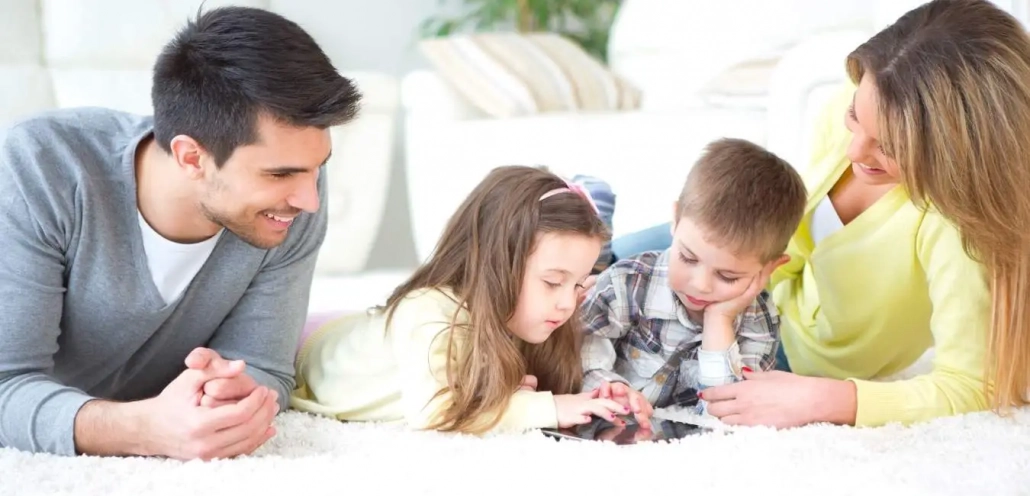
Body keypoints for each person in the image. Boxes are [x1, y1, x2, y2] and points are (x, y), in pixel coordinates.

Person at [608, 0, 1030, 428]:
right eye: (855, 117)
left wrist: (831, 399)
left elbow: (971, 385)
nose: (854, 151)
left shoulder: (952, 230)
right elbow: (783, 238)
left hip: (780, 343)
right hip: (750, 268)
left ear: (954, 150)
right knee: (597, 261)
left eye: (889, 146)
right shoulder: (842, 113)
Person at [0, 6, 361, 459]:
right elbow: (5, 384)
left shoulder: (295, 196)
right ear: (191, 157)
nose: (310, 200)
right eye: (279, 174)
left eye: (316, 168)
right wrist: (141, 429)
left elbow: (266, 368)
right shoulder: (43, 166)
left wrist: (229, 396)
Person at [290, 166, 629, 434]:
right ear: (496, 262)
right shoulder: (429, 314)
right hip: (306, 349)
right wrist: (552, 408)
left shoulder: (518, 314)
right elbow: (436, 413)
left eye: (577, 286)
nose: (567, 304)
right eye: (553, 282)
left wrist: (609, 391)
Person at [580, 139, 806, 427]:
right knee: (585, 269)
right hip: (618, 266)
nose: (700, 285)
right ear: (674, 219)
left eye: (727, 276)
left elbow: (729, 409)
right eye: (687, 257)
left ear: (769, 268)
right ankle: (590, 207)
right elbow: (580, 351)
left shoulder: (758, 321)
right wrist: (609, 387)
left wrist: (720, 321)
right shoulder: (628, 283)